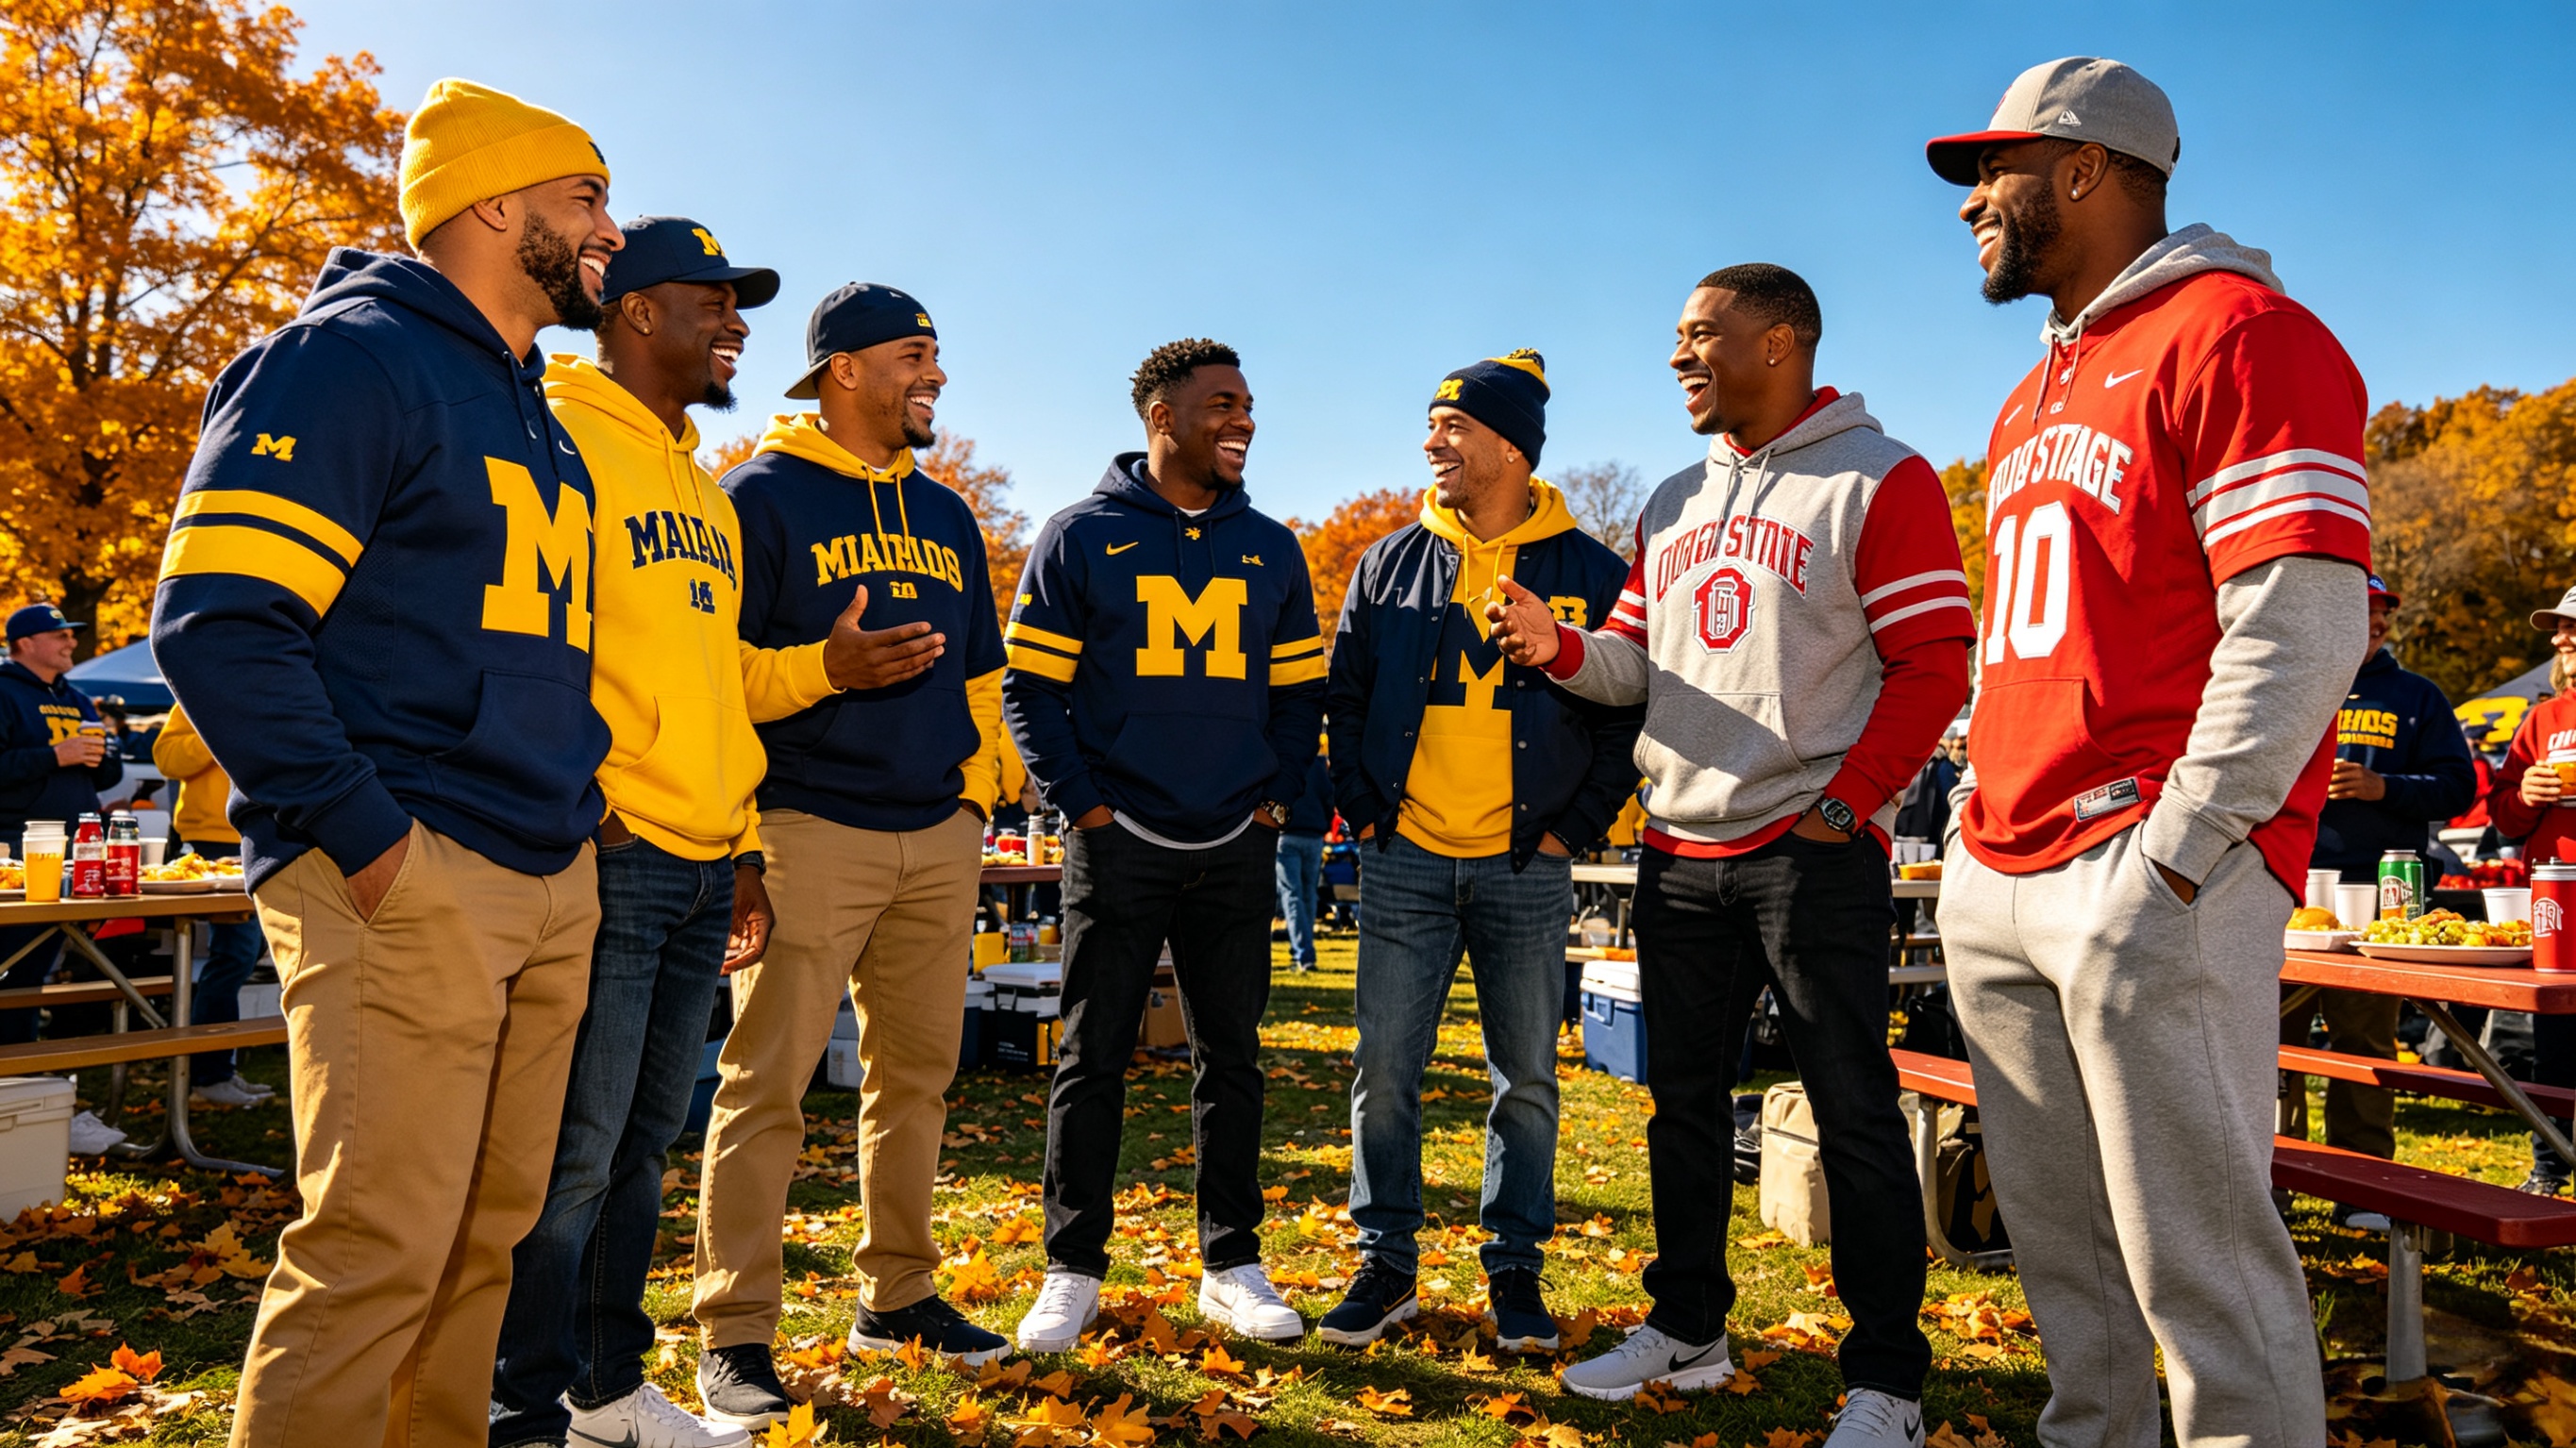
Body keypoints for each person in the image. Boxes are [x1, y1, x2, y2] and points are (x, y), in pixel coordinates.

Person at [150, 79, 620, 1447]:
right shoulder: (347, 356)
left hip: (543, 864)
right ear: (491, 203)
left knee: (485, 1241)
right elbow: (222, 624)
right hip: (409, 864)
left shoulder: (533, 401)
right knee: (374, 1250)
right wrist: (368, 838)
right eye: (585, 197)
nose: (612, 230)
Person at [1924, 58, 2371, 1448]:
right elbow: (2032, 636)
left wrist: (2182, 847)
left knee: (2203, 1271)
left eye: (1989, 171)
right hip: (2002, 858)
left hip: (2146, 860)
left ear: (2082, 168)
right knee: (2067, 1265)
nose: (1968, 207)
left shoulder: (2241, 329)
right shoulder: (2027, 394)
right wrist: (1963, 819)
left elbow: (2305, 612)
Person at [1490, 265, 1970, 1445]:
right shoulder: (1668, 499)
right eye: (1676, 338)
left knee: (1856, 1110)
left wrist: (1851, 804)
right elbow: (1630, 668)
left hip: (1811, 847)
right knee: (1682, 1109)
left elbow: (1936, 661)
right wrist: (1558, 646)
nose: (1678, 357)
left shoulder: (1881, 476)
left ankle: (1889, 1382)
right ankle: (1690, 1327)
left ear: (1782, 340)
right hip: (1678, 845)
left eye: (1700, 335)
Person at [483, 216, 812, 1448]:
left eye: (743, 304)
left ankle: (607, 1386)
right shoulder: (559, 432)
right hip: (608, 853)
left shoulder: (707, 494)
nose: (736, 324)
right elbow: (526, 632)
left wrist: (740, 846)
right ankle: (520, 1406)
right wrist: (594, 800)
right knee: (570, 1151)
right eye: (713, 300)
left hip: (699, 862)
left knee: (643, 1146)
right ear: (632, 311)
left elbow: (718, 677)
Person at [691, 281, 1012, 1425]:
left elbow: (984, 679)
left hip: (938, 836)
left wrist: (976, 797)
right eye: (915, 354)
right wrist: (826, 671)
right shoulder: (755, 498)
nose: (934, 374)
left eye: (937, 352)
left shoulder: (947, 512)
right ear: (842, 370)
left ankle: (900, 1293)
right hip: (803, 829)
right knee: (764, 1085)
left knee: (915, 1080)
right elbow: (708, 679)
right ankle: (733, 1330)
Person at [1005, 339, 1325, 1352]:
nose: (1243, 419)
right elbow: (1031, 690)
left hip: (1235, 837)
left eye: (1249, 404)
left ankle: (1231, 1260)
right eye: (1222, 403)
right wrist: (1085, 809)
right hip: (1120, 836)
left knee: (1234, 1057)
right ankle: (1072, 1267)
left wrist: (1277, 799)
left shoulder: (1271, 545)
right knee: (1092, 1054)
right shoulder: (1078, 534)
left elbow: (1300, 692)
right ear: (1161, 419)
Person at [1319, 351, 1639, 1350]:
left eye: (1451, 426)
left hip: (1525, 863)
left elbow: (1631, 709)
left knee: (1528, 1081)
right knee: (1385, 1070)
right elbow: (1345, 695)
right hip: (1405, 856)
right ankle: (1388, 1261)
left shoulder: (1590, 571)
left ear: (1507, 444)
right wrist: (1371, 816)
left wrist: (1569, 827)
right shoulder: (1386, 560)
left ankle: (1515, 1270)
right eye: (1430, 425)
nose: (1431, 443)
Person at [2283, 573, 2473, 1194]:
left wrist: (2383, 788)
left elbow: (2459, 788)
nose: (2379, 623)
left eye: (2384, 614)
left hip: (2377, 902)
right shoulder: (2286, 687)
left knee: (2363, 1044)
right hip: (2284, 894)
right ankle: (2272, 1177)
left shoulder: (2417, 696)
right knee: (2268, 1043)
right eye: (2364, 611)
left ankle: (2362, 1186)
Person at [2488, 584, 2576, 1194]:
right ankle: (2550, 1168)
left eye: (2573, 627)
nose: (2560, 638)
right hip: (2555, 911)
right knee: (2556, 1052)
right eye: (2560, 628)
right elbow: (2502, 813)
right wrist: (2525, 797)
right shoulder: (2543, 717)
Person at [149, 704, 276, 1110]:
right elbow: (167, 759)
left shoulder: (276, 687)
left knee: (244, 952)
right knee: (236, 952)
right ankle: (210, 1074)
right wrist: (217, 726)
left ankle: (216, 1067)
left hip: (263, 832)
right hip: (213, 840)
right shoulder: (198, 691)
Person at [1273, 748, 1332, 973]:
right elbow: (1328, 796)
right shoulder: (1318, 764)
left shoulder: (1281, 758)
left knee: (1292, 895)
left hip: (1287, 835)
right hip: (1313, 835)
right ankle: (1304, 950)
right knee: (1308, 895)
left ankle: (1303, 953)